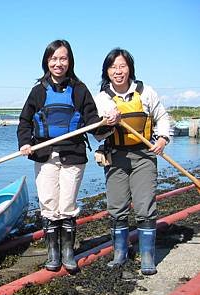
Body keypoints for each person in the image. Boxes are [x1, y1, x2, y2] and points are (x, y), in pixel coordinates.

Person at [17, 39, 110, 272]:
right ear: (47, 61)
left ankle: (68, 252)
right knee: (48, 204)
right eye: (53, 58)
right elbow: (24, 121)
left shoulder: (80, 90)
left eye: (63, 58)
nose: (58, 63)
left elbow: (92, 122)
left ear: (70, 61)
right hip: (44, 154)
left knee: (67, 204)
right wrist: (25, 143)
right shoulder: (38, 91)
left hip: (73, 155)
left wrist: (106, 124)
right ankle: (53, 253)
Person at [94, 48, 171, 275]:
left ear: (130, 69)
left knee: (145, 206)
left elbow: (162, 118)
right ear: (106, 71)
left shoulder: (146, 92)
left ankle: (147, 256)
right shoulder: (102, 98)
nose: (118, 71)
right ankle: (120, 253)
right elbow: (97, 134)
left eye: (122, 66)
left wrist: (163, 138)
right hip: (115, 156)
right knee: (116, 207)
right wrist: (107, 124)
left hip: (144, 155)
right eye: (113, 67)